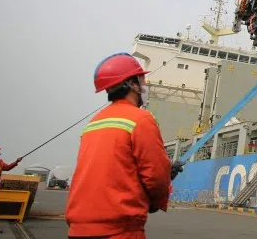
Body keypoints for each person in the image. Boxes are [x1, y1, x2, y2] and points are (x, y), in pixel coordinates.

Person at [66, 52, 179, 238]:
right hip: (118, 229)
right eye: (141, 80)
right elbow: (156, 175)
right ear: (132, 84)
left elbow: (112, 168)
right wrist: (159, 195)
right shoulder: (141, 119)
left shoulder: (93, 122)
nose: (144, 85)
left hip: (78, 229)